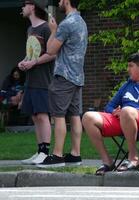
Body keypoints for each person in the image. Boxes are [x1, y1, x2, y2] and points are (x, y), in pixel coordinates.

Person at [82, 53, 139, 175]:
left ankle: (134, 158)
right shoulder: (127, 85)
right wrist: (114, 112)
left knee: (127, 110)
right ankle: (107, 162)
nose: (128, 69)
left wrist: (133, 111)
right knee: (88, 117)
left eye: (130, 66)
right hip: (124, 120)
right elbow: (109, 106)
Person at [37, 0, 88, 168]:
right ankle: (75, 154)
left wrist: (53, 31)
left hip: (64, 76)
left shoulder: (67, 24)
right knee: (74, 116)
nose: (58, 2)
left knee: (58, 116)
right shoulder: (81, 22)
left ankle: (57, 156)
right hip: (77, 77)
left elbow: (51, 50)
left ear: (66, 1)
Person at [17, 0, 56, 165]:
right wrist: (24, 61)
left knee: (42, 115)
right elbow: (32, 53)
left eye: (24, 4)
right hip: (30, 80)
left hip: (43, 80)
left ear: (32, 6)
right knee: (34, 116)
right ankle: (39, 151)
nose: (22, 7)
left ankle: (45, 153)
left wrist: (33, 63)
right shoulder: (30, 29)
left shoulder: (46, 28)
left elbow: (52, 54)